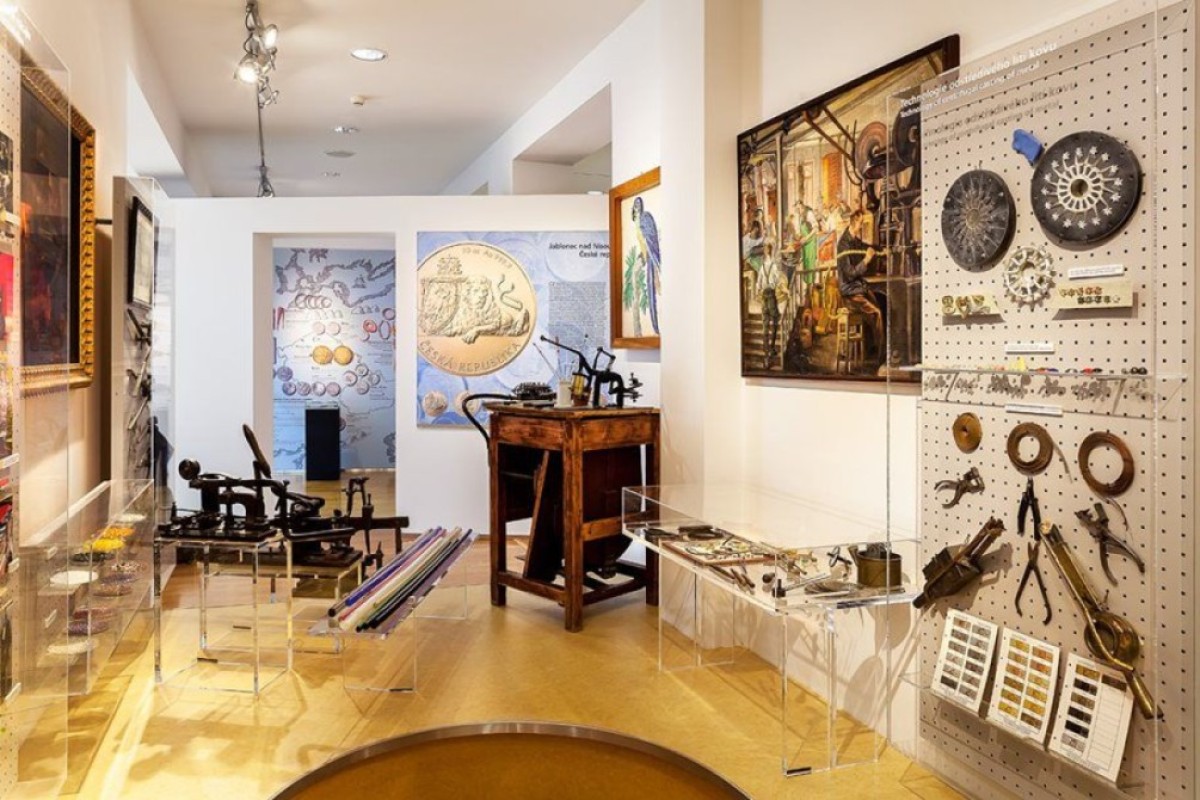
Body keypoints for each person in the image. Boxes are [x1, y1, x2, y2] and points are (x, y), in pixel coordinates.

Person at [836, 211, 884, 357]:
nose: (862, 226)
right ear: (853, 222)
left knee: (878, 303)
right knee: (876, 313)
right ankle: (880, 355)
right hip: (849, 292)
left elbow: (864, 247)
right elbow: (850, 274)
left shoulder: (853, 240)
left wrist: (880, 249)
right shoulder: (843, 245)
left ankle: (872, 349)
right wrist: (866, 260)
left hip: (857, 288)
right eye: (860, 223)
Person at [757, 240, 783, 367]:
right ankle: (771, 348)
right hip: (771, 296)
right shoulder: (774, 266)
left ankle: (766, 354)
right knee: (775, 321)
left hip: (764, 297)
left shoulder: (762, 267)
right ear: (771, 251)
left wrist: (760, 290)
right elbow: (777, 280)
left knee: (765, 326)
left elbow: (758, 283)